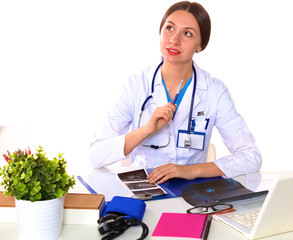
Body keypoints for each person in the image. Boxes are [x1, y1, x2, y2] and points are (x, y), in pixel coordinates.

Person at [89, 1, 262, 184]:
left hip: (190, 194)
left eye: (187, 33)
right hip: (142, 191)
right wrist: (146, 130)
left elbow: (251, 156)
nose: (174, 39)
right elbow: (96, 155)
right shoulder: (136, 86)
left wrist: (190, 171)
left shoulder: (214, 91)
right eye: (170, 28)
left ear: (200, 45)